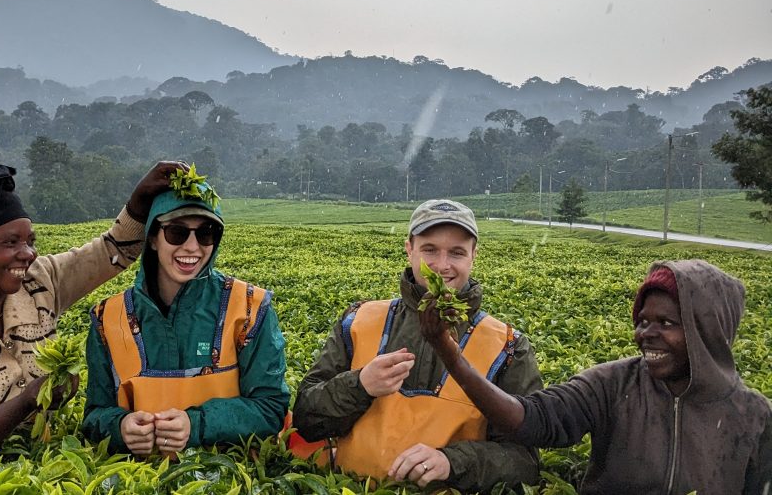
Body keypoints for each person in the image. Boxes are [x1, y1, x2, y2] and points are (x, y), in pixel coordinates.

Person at [0, 161, 182, 458]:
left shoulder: (38, 282)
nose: (27, 254)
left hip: (41, 459)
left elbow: (112, 251)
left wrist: (141, 197)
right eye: (10, 242)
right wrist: (30, 399)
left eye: (30, 241)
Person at [421, 259, 772, 494]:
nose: (645, 333)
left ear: (707, 331)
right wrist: (452, 356)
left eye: (666, 323)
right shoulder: (613, 384)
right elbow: (532, 420)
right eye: (642, 321)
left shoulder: (755, 419)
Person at [292, 199, 542, 490]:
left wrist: (452, 463)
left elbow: (526, 461)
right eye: (430, 250)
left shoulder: (508, 347)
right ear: (409, 248)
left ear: (474, 255)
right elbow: (306, 420)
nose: (442, 266)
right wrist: (359, 385)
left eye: (457, 252)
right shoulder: (359, 321)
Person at [82, 169, 289, 456]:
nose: (192, 247)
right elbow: (93, 415)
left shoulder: (250, 308)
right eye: (177, 232)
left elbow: (271, 408)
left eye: (206, 233)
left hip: (228, 479)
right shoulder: (108, 318)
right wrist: (120, 428)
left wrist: (197, 424)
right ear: (153, 238)